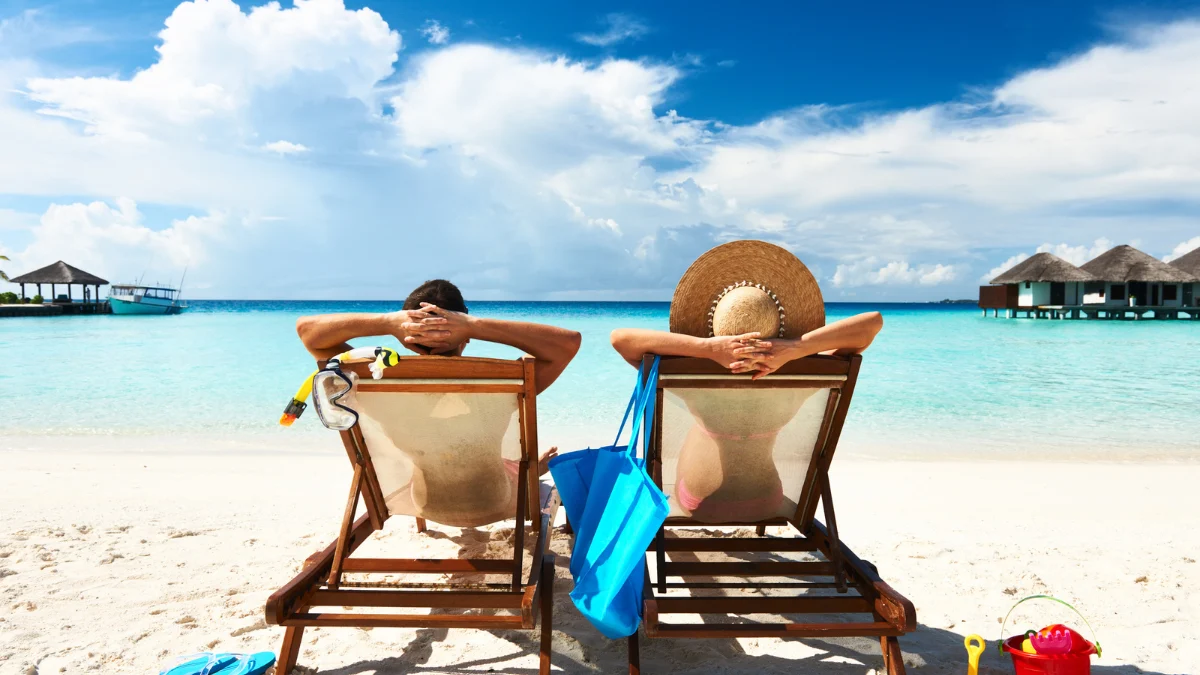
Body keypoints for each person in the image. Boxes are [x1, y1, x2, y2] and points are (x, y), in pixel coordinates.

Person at [609, 240, 883, 522]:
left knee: (699, 431)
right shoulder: (805, 376)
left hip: (698, 503)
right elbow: (872, 323)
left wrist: (709, 349)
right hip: (767, 501)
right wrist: (794, 349)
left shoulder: (686, 375)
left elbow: (620, 339)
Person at [296, 279, 581, 525]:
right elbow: (567, 344)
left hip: (426, 503)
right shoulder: (506, 384)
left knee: (450, 449)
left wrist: (387, 323)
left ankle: (526, 469)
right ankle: (531, 470)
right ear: (464, 336)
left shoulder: (378, 384)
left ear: (407, 337)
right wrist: (473, 326)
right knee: (479, 450)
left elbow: (310, 335)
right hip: (494, 500)